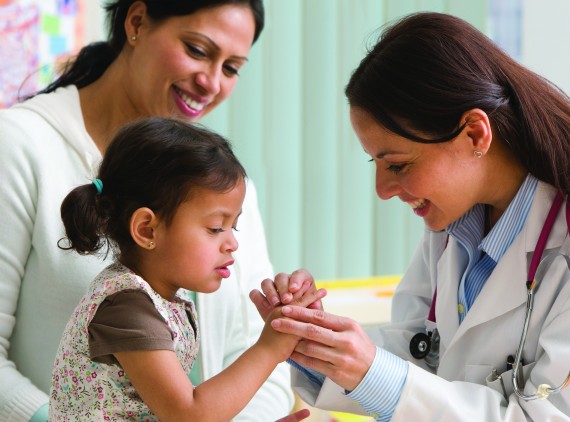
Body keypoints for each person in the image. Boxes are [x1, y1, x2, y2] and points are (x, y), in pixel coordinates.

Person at [251, 12, 570, 421]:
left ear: (475, 133)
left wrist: (371, 371)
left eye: (397, 165)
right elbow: (416, 351)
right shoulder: (452, 228)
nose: (382, 191)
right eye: (376, 164)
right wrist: (314, 338)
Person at [0, 1, 310, 420]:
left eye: (232, 68)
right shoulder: (18, 145)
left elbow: (252, 350)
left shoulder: (223, 187)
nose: (212, 83)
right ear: (137, 21)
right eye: (198, 50)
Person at [48, 117, 324, 421]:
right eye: (216, 227)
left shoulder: (159, 301)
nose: (232, 243)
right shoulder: (125, 306)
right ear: (147, 230)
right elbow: (190, 415)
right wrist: (272, 346)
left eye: (234, 226)